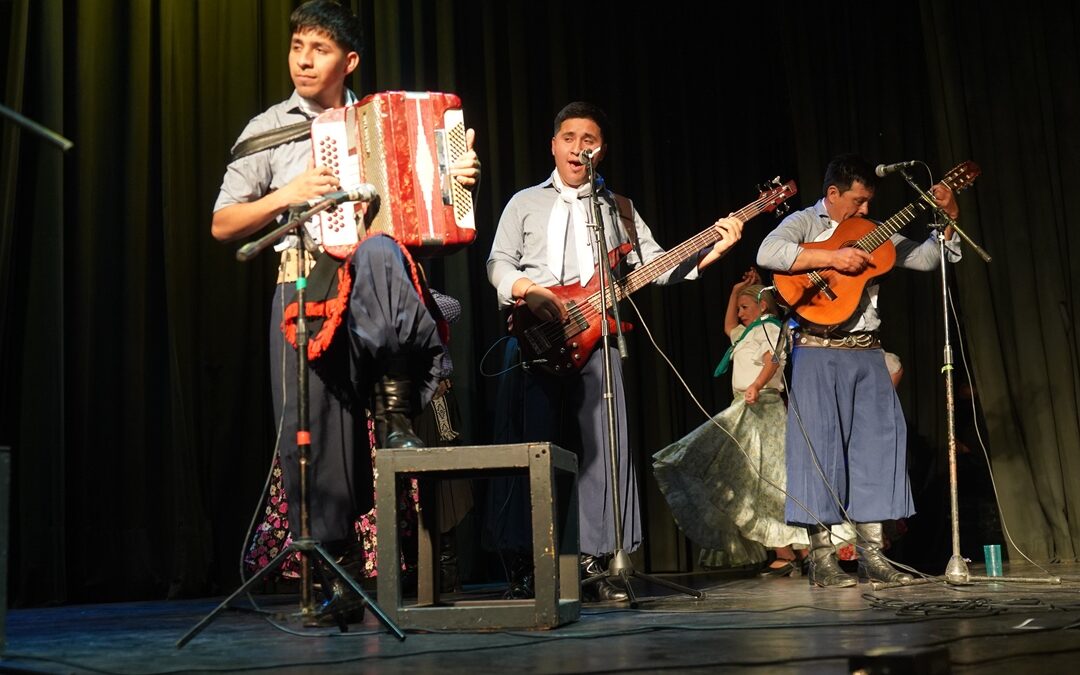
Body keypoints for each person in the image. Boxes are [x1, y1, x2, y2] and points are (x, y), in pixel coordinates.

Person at [211, 0, 480, 622]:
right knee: (311, 439)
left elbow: (441, 212)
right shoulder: (268, 129)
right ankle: (339, 573)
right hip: (305, 284)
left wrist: (455, 178)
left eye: (320, 50)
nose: (304, 60)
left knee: (383, 247)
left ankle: (395, 408)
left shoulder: (380, 119)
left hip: (376, 285)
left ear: (348, 60)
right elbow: (224, 223)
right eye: (297, 46)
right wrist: (289, 193)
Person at [486, 101, 743, 600]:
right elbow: (498, 262)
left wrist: (715, 248)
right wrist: (527, 290)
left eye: (590, 139)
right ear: (554, 145)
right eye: (569, 137)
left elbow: (659, 266)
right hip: (536, 336)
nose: (579, 147)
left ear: (600, 150)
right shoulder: (523, 202)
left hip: (599, 340)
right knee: (532, 448)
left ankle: (599, 561)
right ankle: (529, 560)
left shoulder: (616, 208)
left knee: (604, 450)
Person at [755, 153, 960, 588]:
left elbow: (925, 259)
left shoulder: (873, 232)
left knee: (879, 449)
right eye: (859, 200)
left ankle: (873, 556)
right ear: (833, 194)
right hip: (816, 349)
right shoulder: (804, 223)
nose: (866, 209)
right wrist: (832, 257)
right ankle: (823, 561)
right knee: (818, 452)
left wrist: (948, 220)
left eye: (870, 201)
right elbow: (767, 252)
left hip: (867, 351)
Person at [652, 268, 809, 576]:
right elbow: (729, 327)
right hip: (745, 407)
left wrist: (757, 385)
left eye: (745, 307)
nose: (739, 314)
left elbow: (772, 360)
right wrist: (736, 290)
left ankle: (796, 552)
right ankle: (790, 552)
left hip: (763, 408)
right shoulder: (747, 332)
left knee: (771, 478)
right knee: (752, 479)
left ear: (762, 307)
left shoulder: (771, 327)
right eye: (739, 308)